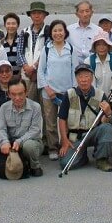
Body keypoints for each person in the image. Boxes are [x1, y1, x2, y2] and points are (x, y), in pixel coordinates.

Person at [58, 63, 112, 172]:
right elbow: (62, 119)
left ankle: (102, 159)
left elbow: (105, 121)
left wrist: (108, 113)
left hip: (92, 132)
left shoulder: (100, 95)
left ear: (92, 78)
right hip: (74, 136)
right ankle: (82, 156)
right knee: (65, 164)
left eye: (86, 76)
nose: (83, 80)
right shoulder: (69, 94)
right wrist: (64, 141)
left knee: (107, 127)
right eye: (80, 76)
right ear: (76, 78)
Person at [0, 78, 44, 178]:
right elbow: (0, 128)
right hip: (11, 142)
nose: (17, 98)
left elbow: (35, 130)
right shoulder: (4, 107)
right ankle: (9, 163)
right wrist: (5, 142)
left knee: (29, 147)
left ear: (26, 92)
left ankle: (34, 166)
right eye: (13, 94)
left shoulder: (36, 107)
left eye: (20, 94)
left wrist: (19, 141)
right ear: (8, 94)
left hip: (30, 141)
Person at [39, 19, 74, 161]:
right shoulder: (46, 49)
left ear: (65, 32)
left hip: (67, 91)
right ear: (51, 33)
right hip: (49, 91)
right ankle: (53, 147)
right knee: (50, 122)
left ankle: (66, 144)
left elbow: (74, 70)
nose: (58, 33)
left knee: (67, 121)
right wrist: (47, 88)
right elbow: (41, 71)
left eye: (60, 30)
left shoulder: (70, 49)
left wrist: (73, 90)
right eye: (55, 30)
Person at [17, 2, 50, 102]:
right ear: (30, 15)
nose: (37, 16)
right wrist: (26, 67)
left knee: (46, 108)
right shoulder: (24, 32)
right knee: (28, 104)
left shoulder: (49, 31)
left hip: (45, 75)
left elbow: (47, 52)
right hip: (27, 75)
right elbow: (19, 51)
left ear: (44, 15)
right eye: (34, 13)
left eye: (39, 13)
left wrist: (34, 67)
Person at [88, 30, 112, 99]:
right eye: (98, 44)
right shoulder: (88, 61)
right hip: (95, 98)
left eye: (104, 44)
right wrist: (99, 100)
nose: (101, 47)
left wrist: (110, 101)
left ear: (108, 46)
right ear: (95, 47)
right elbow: (92, 84)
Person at [67, 0, 102, 67]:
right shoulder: (69, 30)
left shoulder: (99, 30)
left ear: (92, 13)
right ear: (77, 14)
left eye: (87, 11)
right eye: (81, 11)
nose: (85, 14)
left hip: (93, 65)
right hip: (74, 66)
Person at [0, 13, 23, 82]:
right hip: (5, 78)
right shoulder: (0, 43)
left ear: (18, 25)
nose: (11, 26)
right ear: (5, 25)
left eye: (13, 23)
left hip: (20, 78)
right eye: (8, 23)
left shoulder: (22, 41)